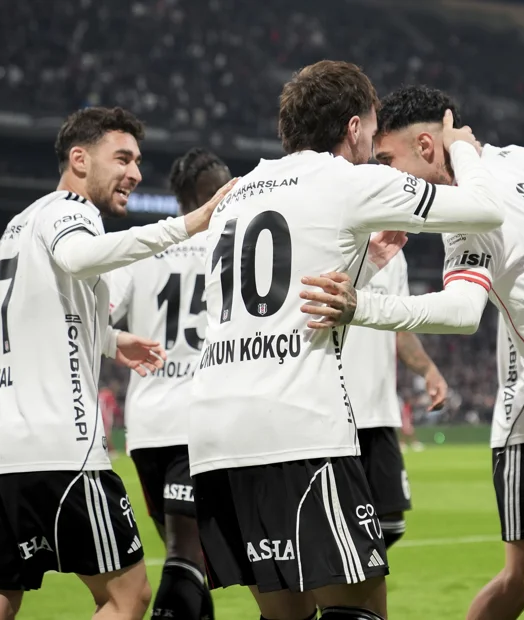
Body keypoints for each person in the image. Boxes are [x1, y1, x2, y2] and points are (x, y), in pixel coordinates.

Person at [187, 61, 504, 620]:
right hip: (296, 426)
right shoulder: (346, 180)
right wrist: (461, 148)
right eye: (372, 132)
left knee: (284, 615)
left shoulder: (239, 192)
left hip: (216, 433)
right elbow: (485, 210)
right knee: (358, 609)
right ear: (355, 128)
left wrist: (369, 262)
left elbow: (284, 301)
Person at [297, 86, 524, 620]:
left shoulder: (468, 215)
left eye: (387, 161)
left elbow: (461, 312)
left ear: (427, 146)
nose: (384, 176)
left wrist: (360, 305)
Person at [0, 106, 236, 620]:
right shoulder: (71, 211)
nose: (135, 173)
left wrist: (110, 339)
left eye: (137, 161)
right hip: (59, 446)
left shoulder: (19, 225)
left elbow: (37, 314)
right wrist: (189, 224)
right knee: (128, 596)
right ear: (79, 159)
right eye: (122, 158)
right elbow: (78, 257)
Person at [107, 147, 232, 620]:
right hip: (200, 422)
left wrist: (114, 342)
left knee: (189, 560)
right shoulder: (230, 247)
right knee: (186, 555)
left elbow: (100, 315)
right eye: (225, 185)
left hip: (147, 427)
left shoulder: (145, 246)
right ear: (207, 193)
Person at [342, 250, 448, 550]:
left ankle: (349, 581)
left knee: (389, 524)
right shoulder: (332, 236)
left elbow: (400, 328)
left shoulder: (396, 256)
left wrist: (428, 369)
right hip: (333, 415)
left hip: (379, 412)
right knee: (333, 527)